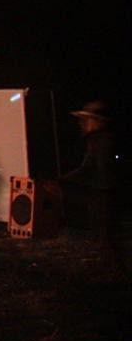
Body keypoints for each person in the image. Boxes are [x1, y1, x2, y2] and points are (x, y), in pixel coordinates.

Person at [62, 101, 120, 262]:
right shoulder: (101, 140)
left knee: (105, 234)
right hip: (103, 191)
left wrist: (64, 179)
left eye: (87, 120)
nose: (83, 123)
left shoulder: (101, 141)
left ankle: (113, 271)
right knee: (104, 234)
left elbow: (90, 168)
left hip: (104, 193)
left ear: (97, 121)